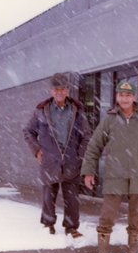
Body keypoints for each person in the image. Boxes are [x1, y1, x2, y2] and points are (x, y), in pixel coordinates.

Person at [81, 80, 138, 253]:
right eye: (121, 95)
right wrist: (88, 172)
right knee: (107, 217)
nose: (125, 99)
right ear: (117, 97)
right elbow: (94, 147)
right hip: (114, 177)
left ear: (134, 97)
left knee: (136, 219)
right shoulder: (109, 120)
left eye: (128, 95)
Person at [24, 72, 91, 238]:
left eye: (63, 89)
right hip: (49, 161)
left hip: (71, 161)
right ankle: (48, 224)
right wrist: (37, 150)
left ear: (68, 90)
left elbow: (87, 135)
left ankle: (71, 227)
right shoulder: (41, 111)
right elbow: (28, 131)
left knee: (72, 197)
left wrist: (79, 155)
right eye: (56, 89)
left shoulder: (77, 110)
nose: (59, 92)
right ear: (51, 91)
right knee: (48, 195)